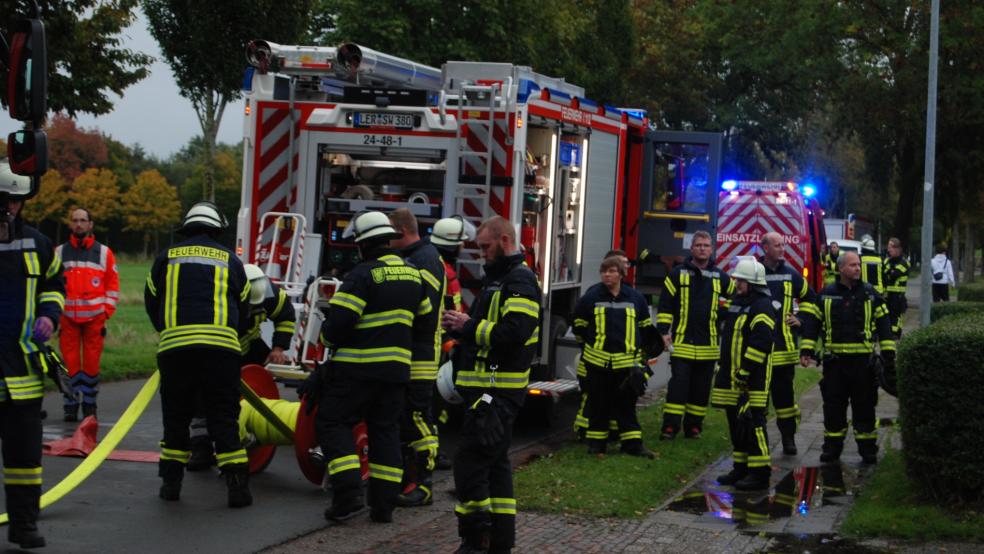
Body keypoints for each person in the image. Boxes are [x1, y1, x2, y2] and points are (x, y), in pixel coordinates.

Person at [303, 211, 432, 524]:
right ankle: (383, 506)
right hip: (396, 372)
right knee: (385, 431)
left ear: (362, 245)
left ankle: (348, 495)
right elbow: (425, 322)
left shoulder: (362, 275)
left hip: (356, 371)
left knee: (332, 422)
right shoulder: (415, 274)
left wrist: (326, 335)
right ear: (387, 239)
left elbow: (338, 326)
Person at [442, 216, 540, 554]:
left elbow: (515, 333)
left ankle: (475, 540)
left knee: (469, 464)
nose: (482, 253)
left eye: (486, 246)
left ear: (504, 240)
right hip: (487, 391)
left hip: (497, 393)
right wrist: (461, 330)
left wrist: (468, 326)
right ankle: (500, 543)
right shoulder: (499, 279)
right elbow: (489, 330)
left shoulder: (520, 280)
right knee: (496, 467)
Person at [144, 201, 253, 507]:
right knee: (224, 417)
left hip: (176, 351)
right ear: (217, 230)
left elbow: (151, 300)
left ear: (187, 228)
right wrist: (229, 333)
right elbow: (244, 306)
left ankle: (171, 484)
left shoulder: (166, 257)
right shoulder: (231, 260)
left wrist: (169, 331)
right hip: (221, 352)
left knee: (176, 418)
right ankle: (237, 488)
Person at [0, 161, 65, 548]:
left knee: (24, 458)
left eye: (14, 201)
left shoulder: (38, 243)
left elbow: (55, 284)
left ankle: (24, 525)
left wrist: (49, 315)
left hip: (22, 372)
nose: (8, 208)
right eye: (3, 200)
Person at [187, 263, 296, 471]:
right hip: (218, 350)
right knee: (204, 397)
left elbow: (286, 317)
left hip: (250, 347)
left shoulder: (272, 295)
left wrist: (278, 348)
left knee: (255, 389)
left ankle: (248, 431)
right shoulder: (218, 299)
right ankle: (201, 447)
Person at [799, 251, 895, 464]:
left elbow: (884, 324)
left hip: (863, 365)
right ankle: (832, 449)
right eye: (852, 265)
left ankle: (868, 450)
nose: (858, 268)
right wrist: (806, 351)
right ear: (841, 268)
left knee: (865, 407)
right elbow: (813, 324)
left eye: (858, 264)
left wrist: (888, 354)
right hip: (835, 364)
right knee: (833, 408)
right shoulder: (826, 294)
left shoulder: (870, 294)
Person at [573, 256, 662, 458]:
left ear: (621, 274)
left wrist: (641, 360)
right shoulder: (590, 297)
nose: (607, 275)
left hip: (626, 365)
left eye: (612, 271)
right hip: (597, 364)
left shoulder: (635, 298)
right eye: (604, 271)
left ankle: (633, 445)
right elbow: (579, 327)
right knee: (598, 405)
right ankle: (597, 446)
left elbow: (645, 330)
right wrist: (591, 349)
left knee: (626, 406)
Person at [388, 208, 446, 508]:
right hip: (406, 350)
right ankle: (405, 477)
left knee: (417, 417)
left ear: (401, 231)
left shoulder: (425, 259)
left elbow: (422, 309)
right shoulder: (413, 256)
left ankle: (424, 484)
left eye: (389, 235)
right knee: (402, 417)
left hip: (420, 353)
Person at [655, 230, 734, 440]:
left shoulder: (721, 276)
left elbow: (736, 298)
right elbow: (665, 305)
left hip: (709, 345)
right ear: (692, 249)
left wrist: (722, 312)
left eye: (706, 245)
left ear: (711, 249)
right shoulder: (677, 274)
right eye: (698, 245)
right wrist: (663, 331)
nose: (702, 249)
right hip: (682, 343)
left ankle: (694, 427)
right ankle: (670, 427)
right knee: (678, 388)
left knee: (701, 389)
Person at [711, 259, 776, 491]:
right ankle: (741, 468)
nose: (737, 284)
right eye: (737, 280)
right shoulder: (737, 303)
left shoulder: (762, 306)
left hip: (753, 379)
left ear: (754, 283)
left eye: (741, 281)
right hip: (731, 376)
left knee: (753, 423)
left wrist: (746, 371)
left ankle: (760, 473)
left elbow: (761, 342)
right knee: (736, 424)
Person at [757, 232, 819, 456]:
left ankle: (788, 439)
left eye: (783, 245)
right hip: (759, 351)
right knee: (758, 400)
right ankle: (759, 440)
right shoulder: (756, 273)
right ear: (765, 248)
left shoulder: (791, 274)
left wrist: (800, 319)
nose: (782, 248)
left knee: (785, 401)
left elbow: (810, 298)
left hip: (784, 350)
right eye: (777, 245)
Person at [56, 207, 119, 421]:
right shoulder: (59, 252)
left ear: (91, 224)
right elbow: (53, 284)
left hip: (95, 319)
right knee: (69, 363)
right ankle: (70, 404)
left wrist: (106, 311)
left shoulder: (104, 253)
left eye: (83, 220)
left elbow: (112, 285)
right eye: (75, 220)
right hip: (68, 319)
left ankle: (90, 405)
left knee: (92, 364)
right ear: (70, 224)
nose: (79, 224)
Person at [428, 215, 475, 470]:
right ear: (452, 245)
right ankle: (431, 453)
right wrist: (451, 342)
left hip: (436, 343)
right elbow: (446, 312)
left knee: (434, 403)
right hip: (439, 345)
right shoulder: (444, 273)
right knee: (434, 404)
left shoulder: (435, 266)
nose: (463, 247)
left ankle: (431, 450)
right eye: (461, 243)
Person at [573, 249, 630, 439]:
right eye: (620, 263)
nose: (625, 266)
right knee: (591, 397)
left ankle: (611, 432)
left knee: (613, 397)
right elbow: (579, 326)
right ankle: (584, 431)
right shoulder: (594, 294)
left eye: (625, 263)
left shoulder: (628, 294)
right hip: (593, 360)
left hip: (614, 361)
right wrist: (589, 347)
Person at [882, 238, 909, 338]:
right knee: (887, 315)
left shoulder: (904, 263)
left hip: (898, 296)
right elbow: (884, 274)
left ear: (897, 249)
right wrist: (889, 271)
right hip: (888, 295)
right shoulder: (887, 261)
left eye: (890, 247)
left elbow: (894, 275)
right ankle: (889, 333)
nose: (888, 249)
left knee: (896, 316)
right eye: (888, 247)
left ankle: (895, 334)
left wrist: (888, 271)